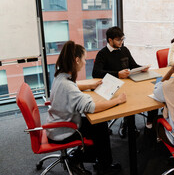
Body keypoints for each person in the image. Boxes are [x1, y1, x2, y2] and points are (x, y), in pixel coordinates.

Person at [47, 41, 126, 175]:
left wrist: (91, 86)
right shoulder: (67, 85)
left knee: (99, 126)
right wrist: (117, 100)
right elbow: (92, 107)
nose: (85, 62)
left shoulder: (60, 76)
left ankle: (100, 162)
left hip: (57, 124)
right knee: (100, 128)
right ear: (77, 60)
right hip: (63, 130)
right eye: (83, 59)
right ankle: (81, 160)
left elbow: (73, 87)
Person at [92, 26, 153, 138]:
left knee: (148, 97)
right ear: (110, 40)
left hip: (128, 85)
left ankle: (138, 124)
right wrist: (117, 74)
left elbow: (133, 65)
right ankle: (128, 124)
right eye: (118, 40)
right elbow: (96, 73)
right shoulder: (102, 53)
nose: (121, 42)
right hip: (112, 88)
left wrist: (141, 68)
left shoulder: (124, 50)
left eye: (122, 39)